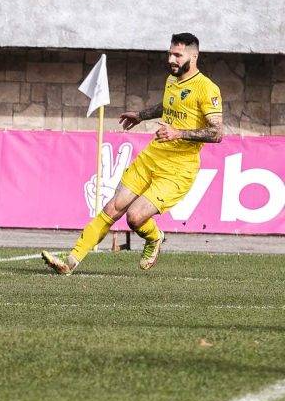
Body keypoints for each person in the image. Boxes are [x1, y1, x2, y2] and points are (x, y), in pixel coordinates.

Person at [43, 33, 223, 275]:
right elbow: (168, 106)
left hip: (178, 170)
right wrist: (141, 115)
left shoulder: (207, 89)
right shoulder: (172, 80)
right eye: (170, 53)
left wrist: (178, 133)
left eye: (178, 55)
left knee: (134, 217)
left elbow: (217, 133)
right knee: (111, 209)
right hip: (152, 157)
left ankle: (155, 237)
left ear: (194, 55)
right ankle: (70, 261)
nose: (172, 59)